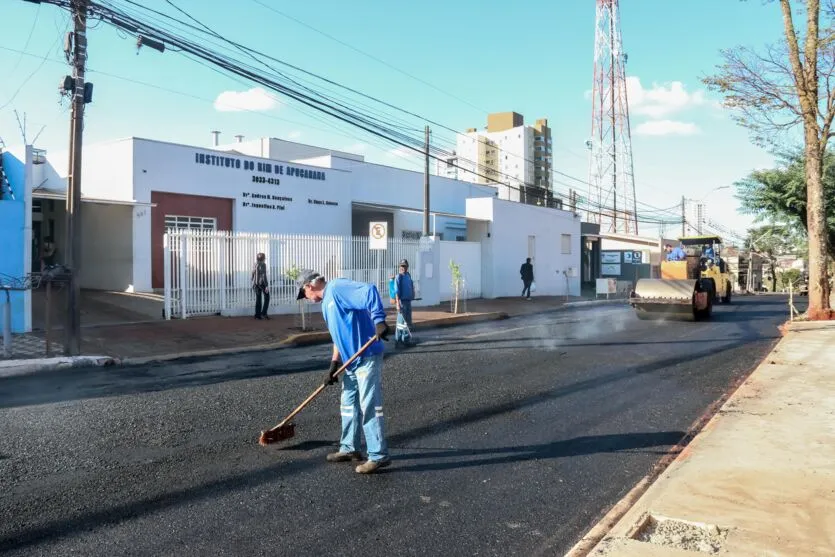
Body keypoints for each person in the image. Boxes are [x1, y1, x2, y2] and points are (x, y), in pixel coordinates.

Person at [296, 270, 392, 474]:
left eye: (303, 294)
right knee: (348, 404)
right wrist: (333, 364)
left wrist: (379, 320)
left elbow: (369, 291)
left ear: (309, 286)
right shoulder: (325, 305)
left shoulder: (337, 288)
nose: (305, 298)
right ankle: (350, 448)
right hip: (351, 362)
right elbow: (337, 336)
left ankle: (378, 455)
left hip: (366, 356)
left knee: (368, 405)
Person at [394, 259, 415, 348]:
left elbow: (411, 286)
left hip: (408, 302)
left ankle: (405, 339)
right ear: (399, 267)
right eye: (402, 266)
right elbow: (396, 292)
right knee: (401, 323)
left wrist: (413, 293)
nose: (403, 268)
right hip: (402, 302)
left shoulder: (408, 276)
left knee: (408, 322)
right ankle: (398, 340)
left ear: (407, 267)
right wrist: (398, 304)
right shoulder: (398, 277)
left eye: (405, 266)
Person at [251, 252, 270, 320]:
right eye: (264, 258)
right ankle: (264, 313)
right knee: (267, 297)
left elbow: (253, 273)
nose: (265, 259)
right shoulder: (263, 264)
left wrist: (252, 281)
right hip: (262, 284)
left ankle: (257, 315)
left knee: (258, 299)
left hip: (255, 284)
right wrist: (266, 285)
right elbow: (263, 275)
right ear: (263, 259)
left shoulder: (255, 264)